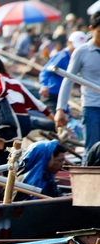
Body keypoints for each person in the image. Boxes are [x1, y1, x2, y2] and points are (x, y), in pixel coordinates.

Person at [0, 54, 54, 165]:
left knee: (3, 155)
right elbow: (36, 103)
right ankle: (13, 177)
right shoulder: (15, 81)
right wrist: (54, 118)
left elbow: (0, 90)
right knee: (13, 154)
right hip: (24, 122)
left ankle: (6, 179)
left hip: (10, 122)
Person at [56, 12, 100, 163]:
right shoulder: (82, 51)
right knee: (91, 149)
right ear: (91, 29)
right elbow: (68, 80)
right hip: (92, 107)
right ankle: (86, 183)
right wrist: (60, 109)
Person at [39, 31, 87, 113]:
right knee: (53, 122)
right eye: (75, 47)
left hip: (62, 96)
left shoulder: (74, 58)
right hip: (51, 95)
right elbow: (45, 71)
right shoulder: (62, 56)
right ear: (69, 43)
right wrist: (44, 85)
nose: (77, 50)